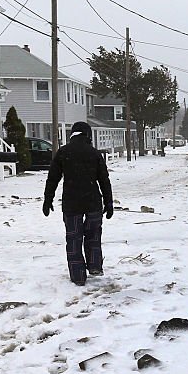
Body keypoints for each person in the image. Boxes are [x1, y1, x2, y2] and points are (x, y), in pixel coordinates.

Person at [43, 121, 114, 286]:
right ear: (87, 135)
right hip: (93, 202)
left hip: (71, 203)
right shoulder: (94, 153)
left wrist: (48, 199)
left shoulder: (63, 152)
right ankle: (95, 265)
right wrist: (108, 202)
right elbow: (104, 180)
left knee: (74, 239)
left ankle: (78, 276)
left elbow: (52, 178)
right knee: (93, 235)